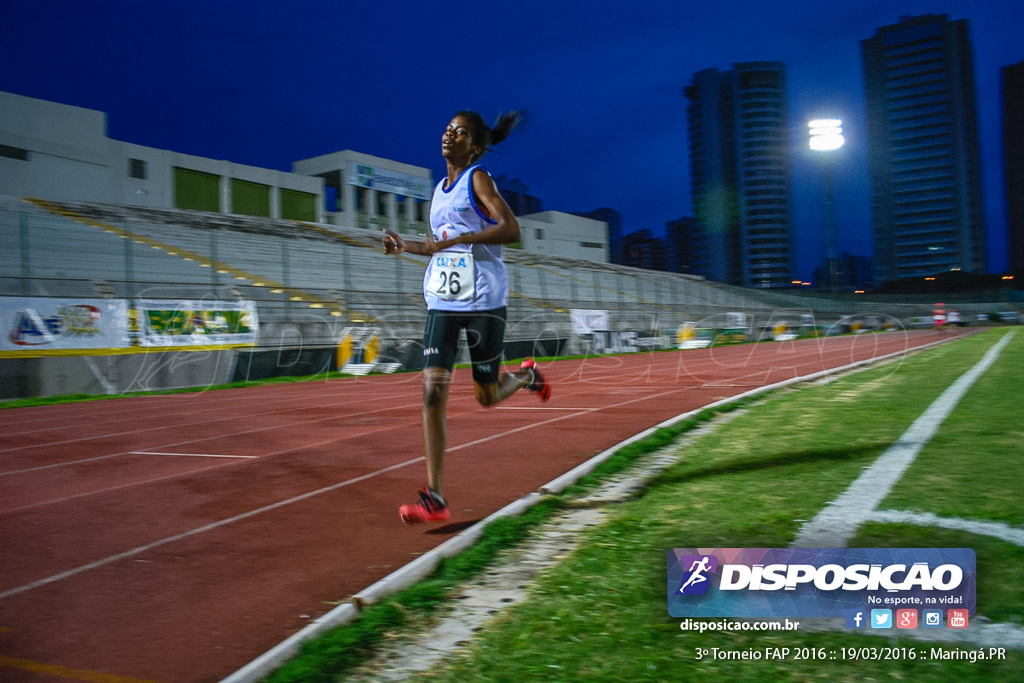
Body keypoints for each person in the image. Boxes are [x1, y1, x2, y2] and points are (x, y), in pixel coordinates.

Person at [382, 110, 551, 524]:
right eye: (446, 129)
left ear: (473, 146)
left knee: (486, 396)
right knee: (432, 392)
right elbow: (439, 247)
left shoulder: (479, 178)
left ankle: (528, 376)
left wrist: (464, 238)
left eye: (458, 132)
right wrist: (404, 245)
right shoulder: (438, 190)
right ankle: (435, 497)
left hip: (484, 301)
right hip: (443, 302)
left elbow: (512, 230)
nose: (448, 135)